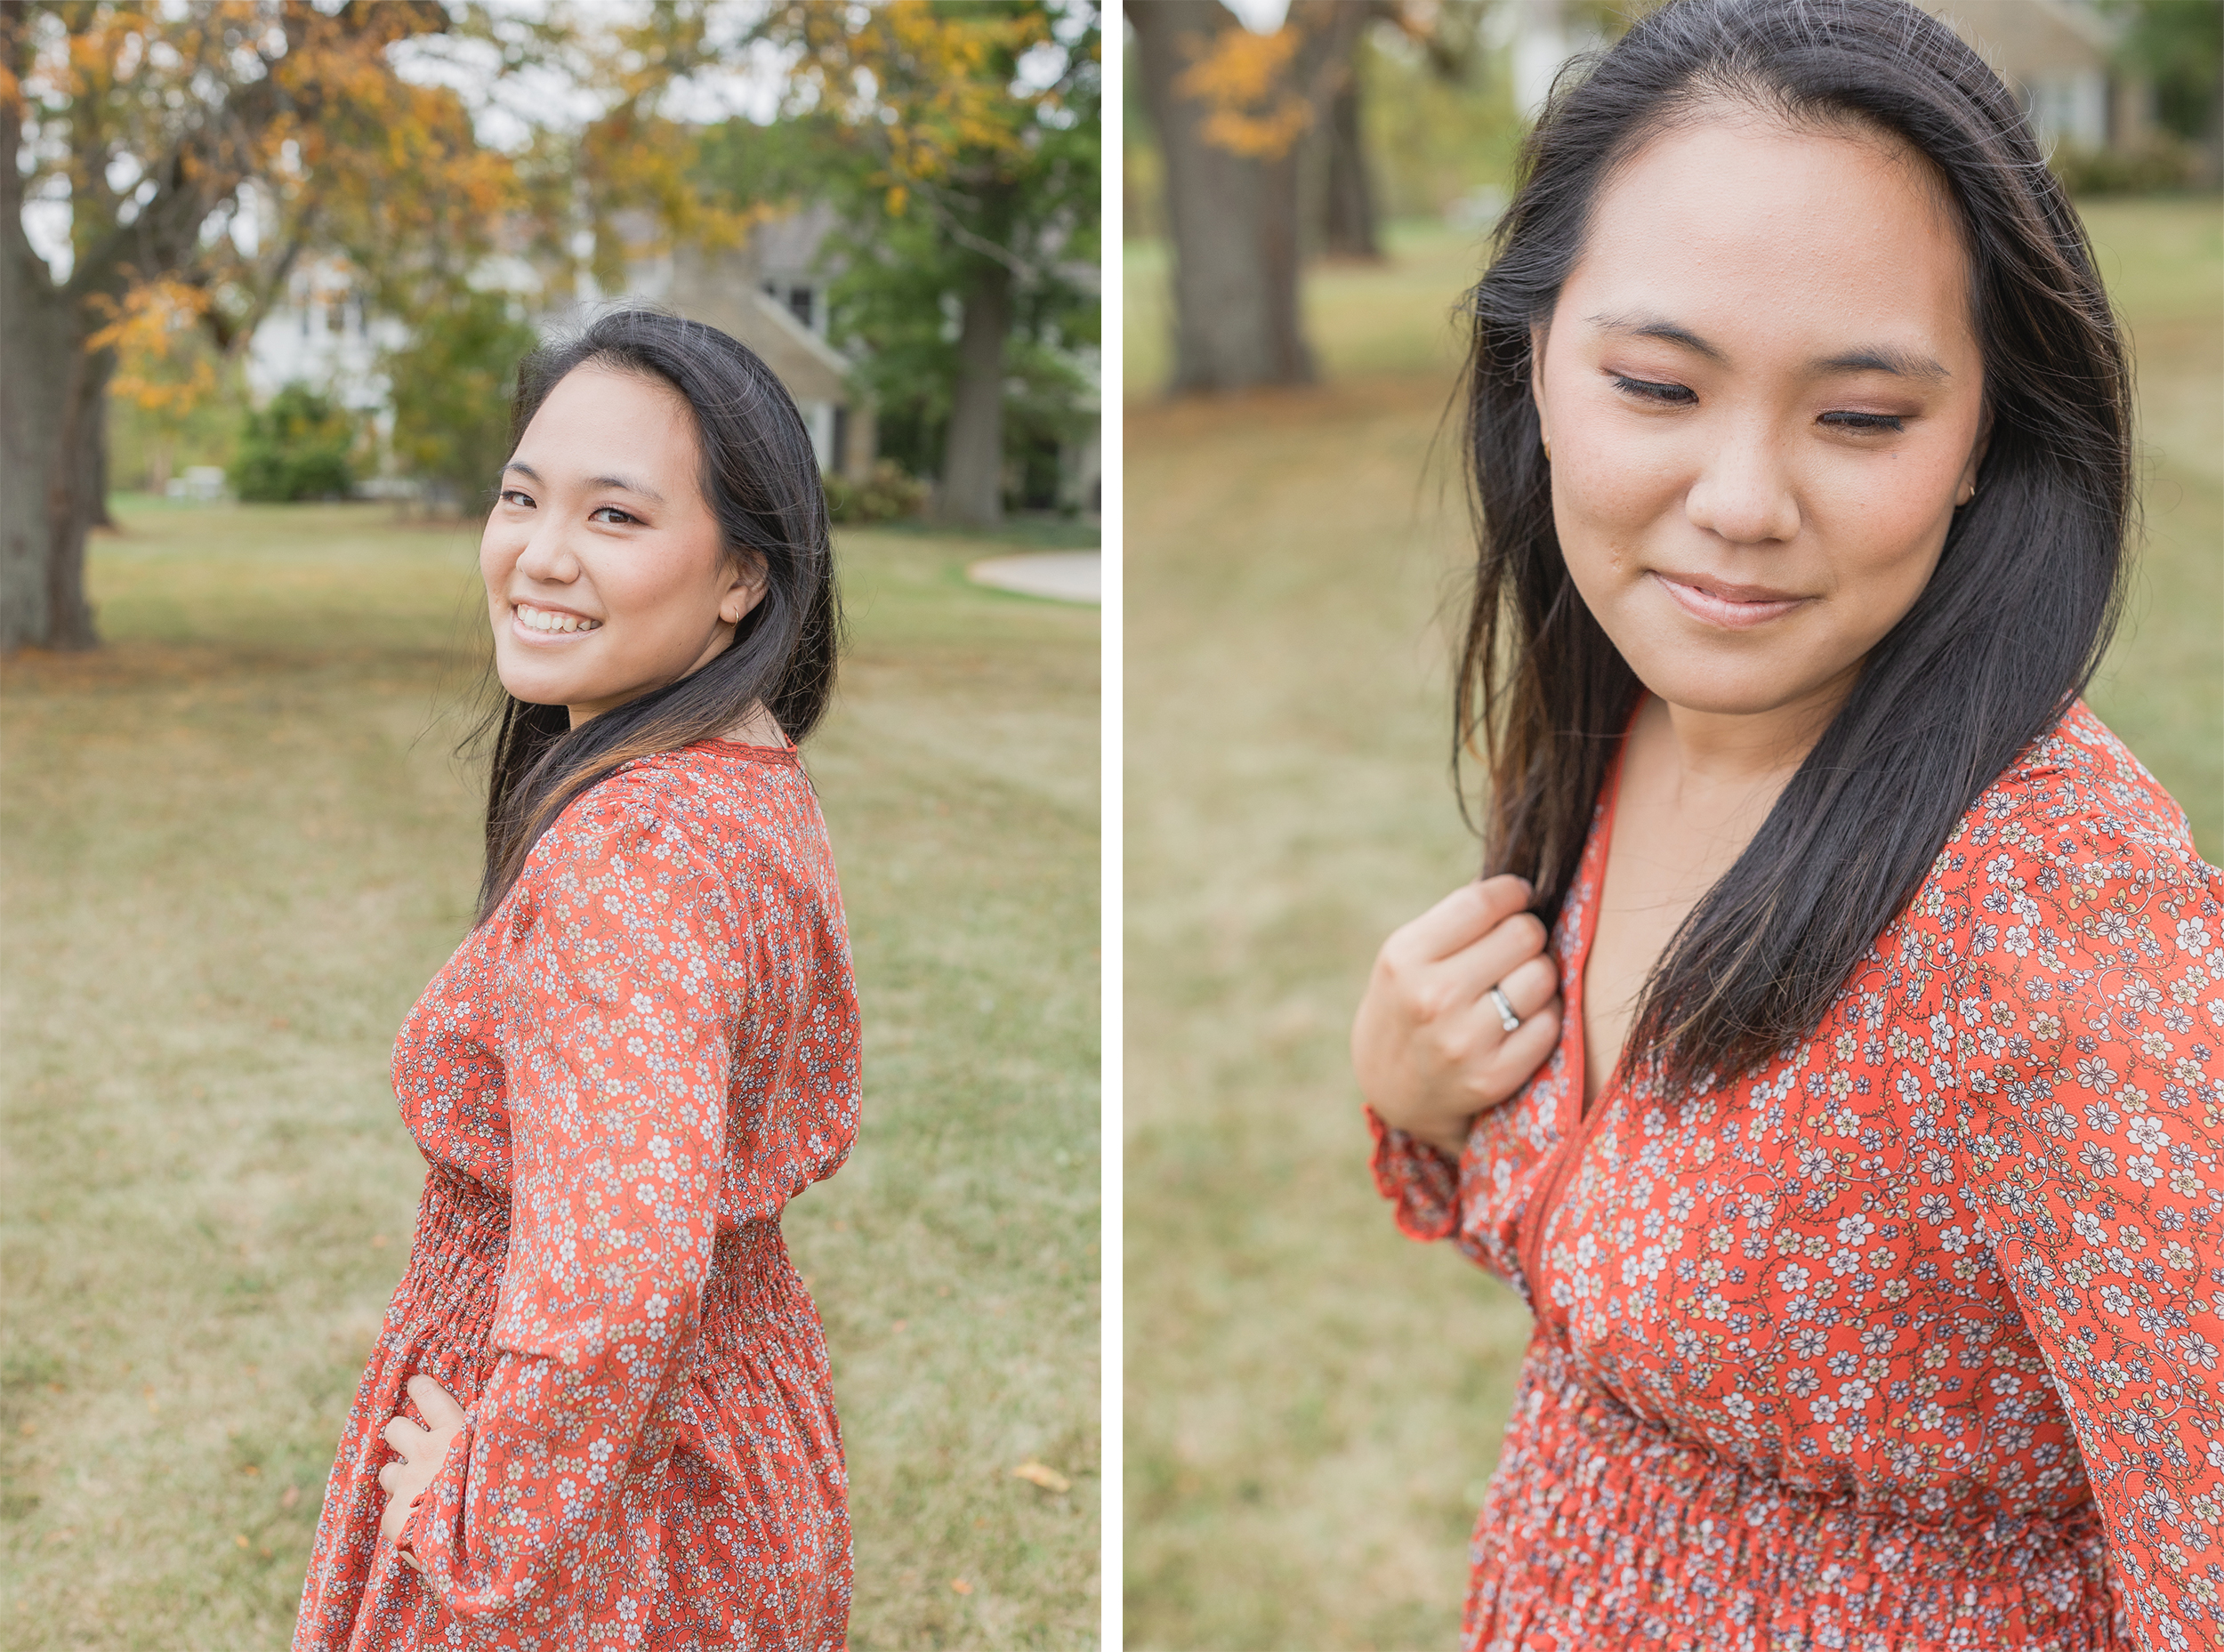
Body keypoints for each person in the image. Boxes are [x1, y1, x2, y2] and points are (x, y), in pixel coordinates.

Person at [1349, 2, 2224, 1648]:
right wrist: (1425, 1105)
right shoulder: (1637, 720)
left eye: (1863, 417)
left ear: (1985, 439)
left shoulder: (2059, 924)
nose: (1743, 501)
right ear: (1533, 363)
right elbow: (1671, 1311)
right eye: (1659, 384)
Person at [293, 309, 859, 1648]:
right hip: (723, 1429)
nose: (539, 554)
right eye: (521, 497)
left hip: (597, 1503)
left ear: (743, 578)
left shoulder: (634, 857)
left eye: (616, 517)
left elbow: (613, 1287)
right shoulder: (740, 772)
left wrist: (470, 1514)